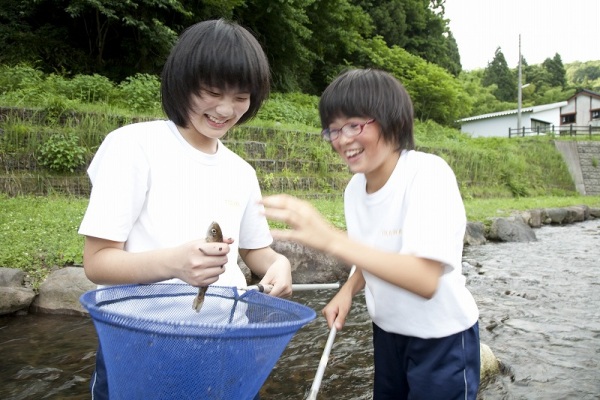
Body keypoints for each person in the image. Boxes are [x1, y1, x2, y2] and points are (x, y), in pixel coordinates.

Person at [78, 19, 292, 399]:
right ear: (181, 83)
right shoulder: (133, 147)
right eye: (211, 92)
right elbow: (97, 262)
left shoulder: (241, 172)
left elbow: (255, 250)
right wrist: (176, 264)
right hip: (140, 344)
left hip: (226, 340)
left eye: (241, 97)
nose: (226, 109)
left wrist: (278, 264)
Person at [261, 69, 480, 399]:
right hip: (388, 332)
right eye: (333, 130)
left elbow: (424, 280)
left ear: (392, 120)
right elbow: (371, 251)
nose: (342, 139)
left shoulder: (427, 175)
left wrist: (332, 239)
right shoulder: (354, 189)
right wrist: (348, 290)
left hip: (442, 338)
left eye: (353, 125)